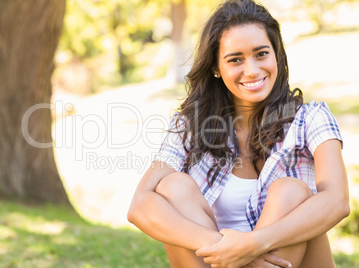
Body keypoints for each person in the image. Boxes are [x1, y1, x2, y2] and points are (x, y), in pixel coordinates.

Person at [127, 0, 350, 267]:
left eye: (261, 54)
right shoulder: (190, 126)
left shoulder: (311, 118)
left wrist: (253, 246)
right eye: (235, 59)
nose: (252, 70)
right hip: (217, 262)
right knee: (172, 187)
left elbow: (337, 201)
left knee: (290, 191)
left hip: (289, 260)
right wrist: (233, 252)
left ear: (276, 54)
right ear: (216, 68)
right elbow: (139, 206)